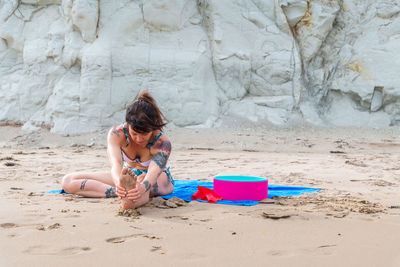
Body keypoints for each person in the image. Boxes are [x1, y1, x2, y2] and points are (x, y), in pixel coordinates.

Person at [61, 91, 174, 209]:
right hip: (127, 174)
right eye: (134, 134)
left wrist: (142, 187)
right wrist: (119, 184)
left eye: (144, 134)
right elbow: (116, 164)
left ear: (152, 128)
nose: (139, 139)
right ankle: (121, 193)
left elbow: (154, 172)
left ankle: (132, 196)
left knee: (140, 182)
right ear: (128, 125)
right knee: (68, 181)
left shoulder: (162, 143)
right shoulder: (116, 134)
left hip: (153, 178)